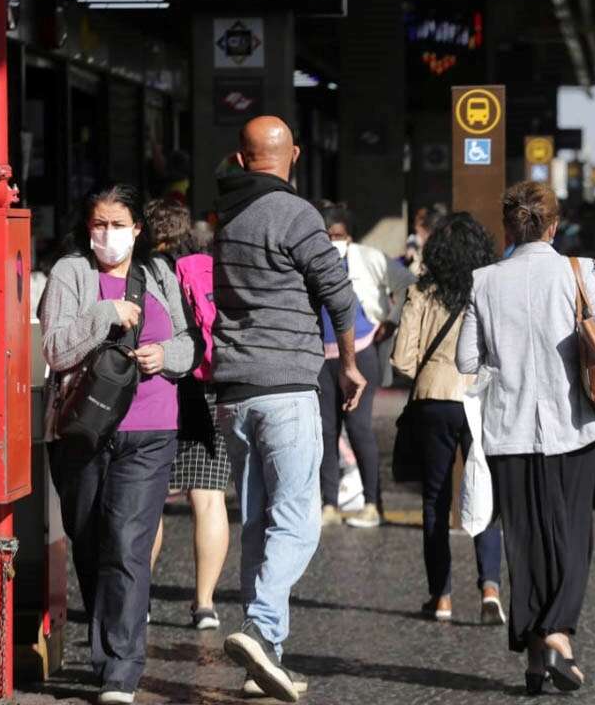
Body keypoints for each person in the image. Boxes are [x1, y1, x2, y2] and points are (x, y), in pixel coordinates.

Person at [213, 116, 365, 703]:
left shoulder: (225, 220)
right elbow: (338, 293)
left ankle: (264, 659)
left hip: (234, 395)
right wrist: (348, 365)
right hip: (287, 390)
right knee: (298, 519)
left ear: (241, 158)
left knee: (256, 523)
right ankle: (262, 628)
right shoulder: (298, 214)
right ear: (294, 155)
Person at [456, 182, 595, 695]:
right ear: (553, 226)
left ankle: (535, 658)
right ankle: (558, 638)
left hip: (508, 433)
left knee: (526, 546)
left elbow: (467, 360)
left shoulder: (483, 281)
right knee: (572, 539)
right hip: (570, 427)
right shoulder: (577, 272)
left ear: (508, 228)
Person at [40, 183, 200, 705]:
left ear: (137, 229)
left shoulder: (158, 274)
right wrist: (103, 317)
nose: (106, 235)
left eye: (117, 224)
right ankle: (106, 651)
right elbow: (56, 349)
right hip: (82, 431)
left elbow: (188, 340)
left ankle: (121, 671)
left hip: (150, 429)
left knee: (128, 543)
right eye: (97, 224)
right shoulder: (71, 273)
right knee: (89, 542)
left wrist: (167, 357)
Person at [391, 213, 504, 625]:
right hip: (477, 401)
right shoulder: (489, 292)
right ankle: (490, 587)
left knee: (436, 500)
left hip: (434, 400)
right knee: (484, 490)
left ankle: (441, 597)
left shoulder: (423, 293)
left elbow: (403, 361)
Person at [144, 197, 230, 631]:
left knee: (149, 496)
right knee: (208, 496)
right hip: (210, 386)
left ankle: (139, 599)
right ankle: (205, 605)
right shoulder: (210, 265)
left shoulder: (145, 273)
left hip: (161, 385)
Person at [317, 203, 416, 528]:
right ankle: (328, 504)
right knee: (325, 431)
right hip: (321, 357)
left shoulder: (369, 257)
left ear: (350, 235)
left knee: (358, 428)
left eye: (339, 235)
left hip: (361, 353)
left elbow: (407, 283)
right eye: (328, 235)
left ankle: (373, 503)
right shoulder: (312, 258)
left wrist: (391, 320)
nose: (334, 241)